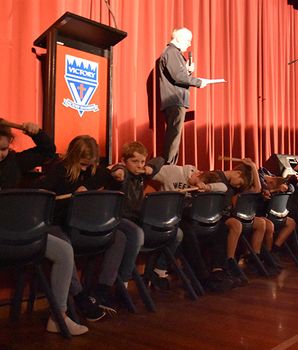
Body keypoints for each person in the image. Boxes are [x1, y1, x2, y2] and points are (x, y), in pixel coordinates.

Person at [0, 121, 87, 335]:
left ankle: (58, 317)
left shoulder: (15, 161)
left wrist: (36, 132)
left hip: (17, 233)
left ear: (10, 145)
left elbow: (48, 150)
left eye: (2, 148)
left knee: (64, 251)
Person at [37, 135, 127, 319]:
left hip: (88, 226)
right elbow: (41, 195)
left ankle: (103, 290)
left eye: (90, 164)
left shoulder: (96, 171)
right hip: (59, 223)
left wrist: (118, 175)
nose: (86, 168)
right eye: (83, 164)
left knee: (120, 238)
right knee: (63, 245)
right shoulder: (59, 171)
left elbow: (111, 176)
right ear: (73, 157)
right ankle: (80, 297)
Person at [107, 141, 182, 289]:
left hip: (139, 220)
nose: (139, 165)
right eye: (134, 161)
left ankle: (159, 270)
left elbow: (160, 160)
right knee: (137, 234)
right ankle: (124, 281)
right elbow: (117, 169)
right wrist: (119, 170)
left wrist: (150, 168)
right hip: (121, 219)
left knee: (177, 233)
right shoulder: (124, 172)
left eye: (142, 161)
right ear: (124, 160)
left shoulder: (142, 174)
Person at [152, 164, 238, 292]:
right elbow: (152, 171)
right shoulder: (174, 171)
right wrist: (149, 167)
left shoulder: (204, 182)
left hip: (189, 216)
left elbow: (223, 187)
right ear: (198, 174)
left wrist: (207, 187)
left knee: (220, 227)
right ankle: (202, 277)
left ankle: (218, 271)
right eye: (200, 182)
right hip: (171, 216)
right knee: (187, 232)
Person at [159, 27, 208, 164]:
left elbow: (179, 76)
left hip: (175, 100)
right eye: (188, 40)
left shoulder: (173, 53)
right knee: (173, 136)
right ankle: (167, 167)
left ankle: (170, 166)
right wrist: (199, 82)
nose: (189, 43)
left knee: (175, 136)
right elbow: (178, 77)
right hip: (174, 100)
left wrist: (188, 71)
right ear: (179, 37)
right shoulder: (172, 52)